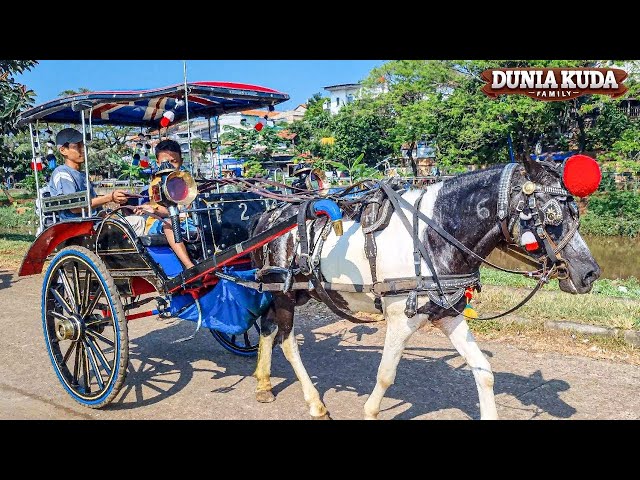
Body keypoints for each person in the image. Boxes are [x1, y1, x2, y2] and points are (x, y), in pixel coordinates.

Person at [49, 127, 147, 235]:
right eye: (77, 146)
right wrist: (110, 197)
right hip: (77, 227)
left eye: (82, 145)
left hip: (93, 222)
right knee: (139, 222)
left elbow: (94, 204)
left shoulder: (83, 175)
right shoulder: (62, 173)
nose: (82, 149)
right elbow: (75, 207)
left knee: (137, 219)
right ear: (63, 150)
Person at [133, 139, 195, 270]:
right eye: (165, 163)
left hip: (185, 220)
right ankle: (189, 266)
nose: (169, 166)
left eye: (174, 162)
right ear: (157, 163)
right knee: (170, 224)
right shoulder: (157, 183)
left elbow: (190, 204)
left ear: (181, 162)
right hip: (160, 221)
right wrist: (154, 210)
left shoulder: (187, 180)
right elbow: (161, 209)